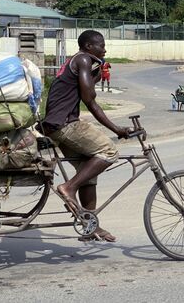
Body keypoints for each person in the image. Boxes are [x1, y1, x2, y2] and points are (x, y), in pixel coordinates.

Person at [39, 30, 131, 242]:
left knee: (88, 171)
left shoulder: (77, 61)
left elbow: (82, 88)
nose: (104, 49)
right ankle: (68, 188)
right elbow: (90, 101)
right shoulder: (82, 59)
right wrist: (117, 129)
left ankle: (90, 227)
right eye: (101, 45)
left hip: (55, 125)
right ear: (89, 46)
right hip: (66, 124)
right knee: (108, 151)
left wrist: (96, 75)